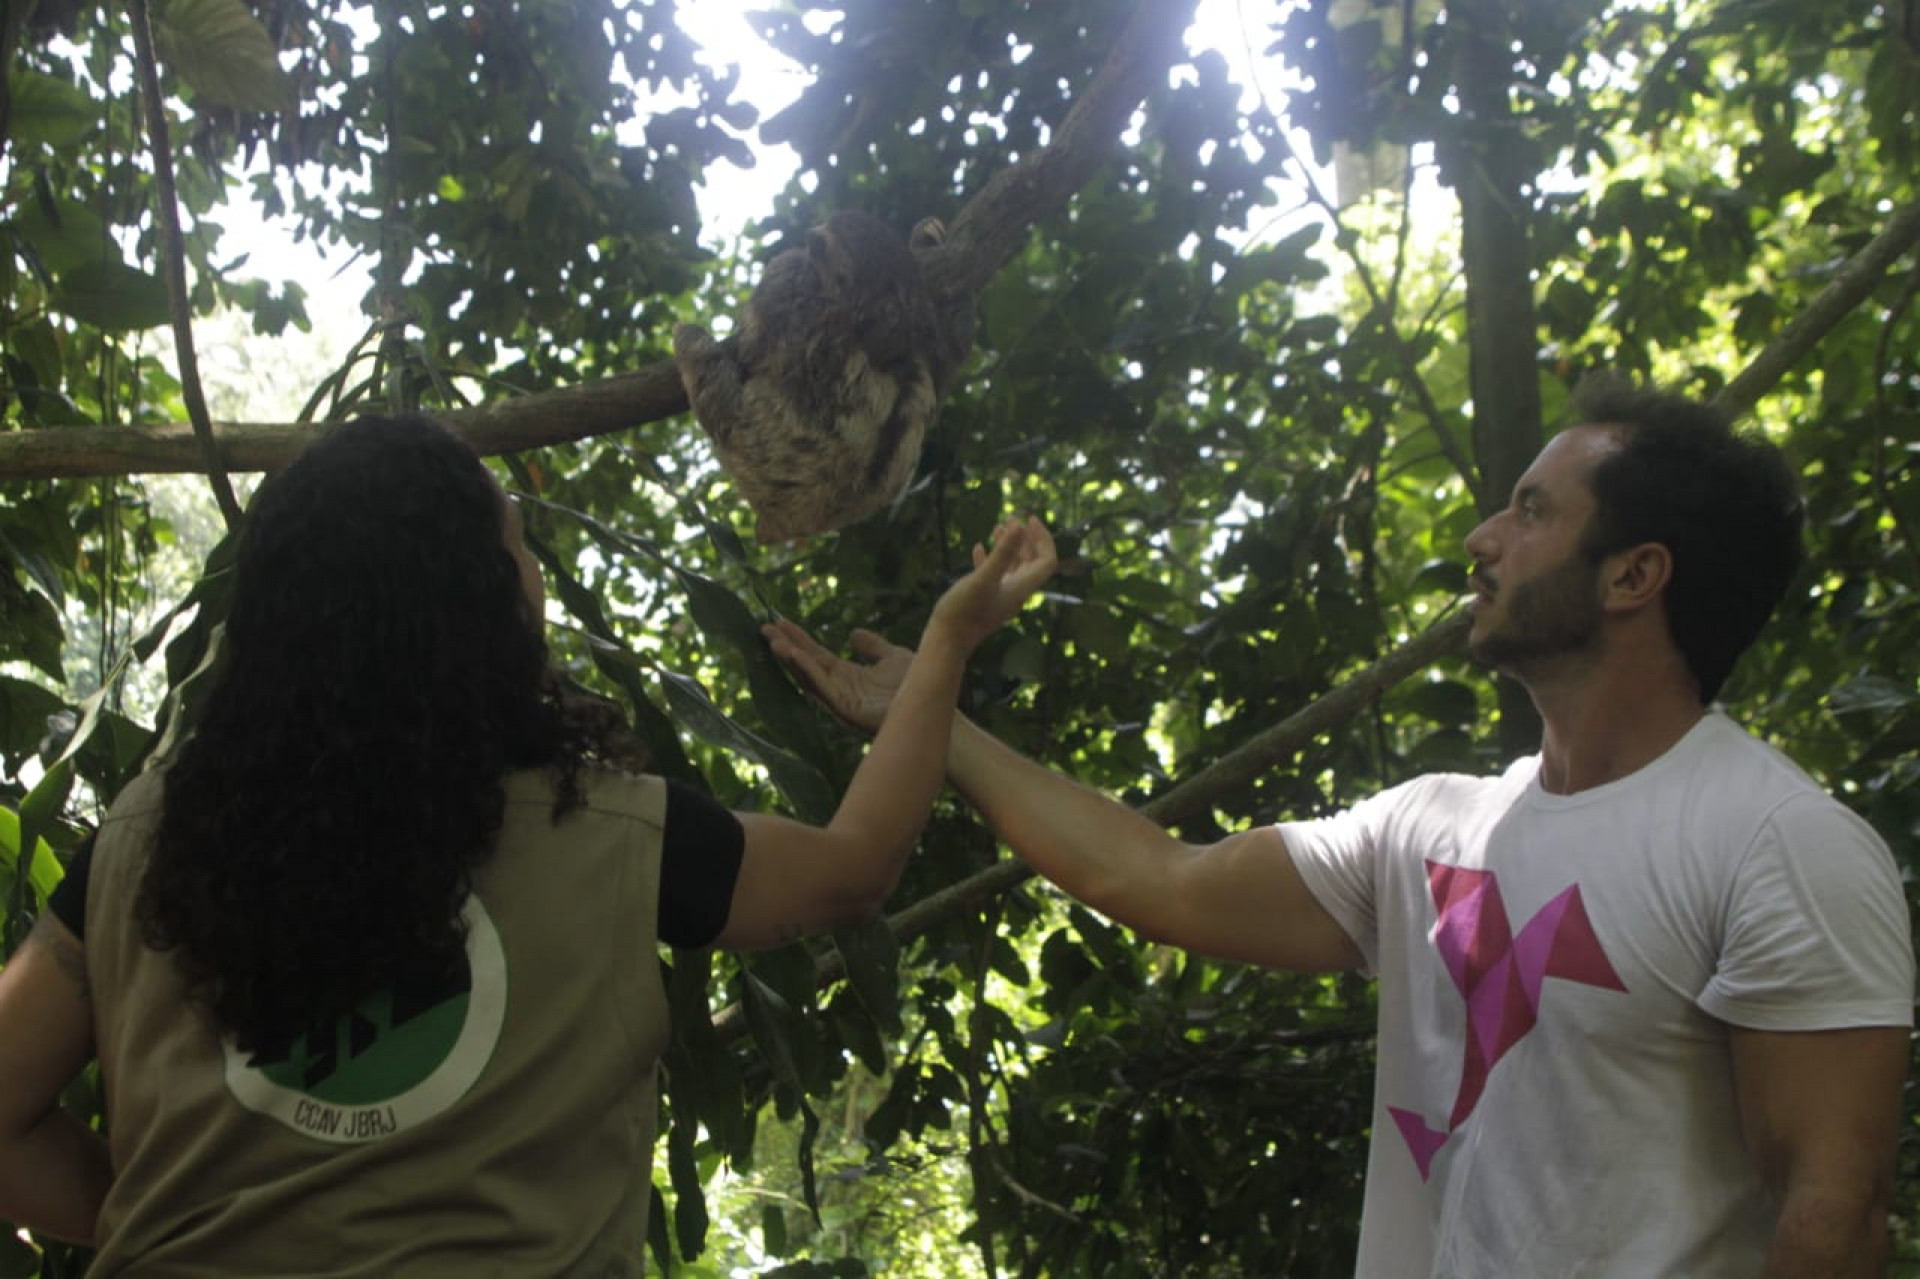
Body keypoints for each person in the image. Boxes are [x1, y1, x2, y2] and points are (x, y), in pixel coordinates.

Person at [766, 383, 1916, 1277]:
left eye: (1529, 511)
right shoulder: (1432, 829)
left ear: (1635, 575)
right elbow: (1154, 873)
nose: (1480, 537)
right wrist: (934, 705)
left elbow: (1832, 1216)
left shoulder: (1780, 845)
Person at [0, 413, 1056, 1274]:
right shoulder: (609, 830)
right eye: (519, 547)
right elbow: (854, 866)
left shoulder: (143, 838)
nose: (538, 573)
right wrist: (947, 644)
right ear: (484, 602)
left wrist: (197, 1218)